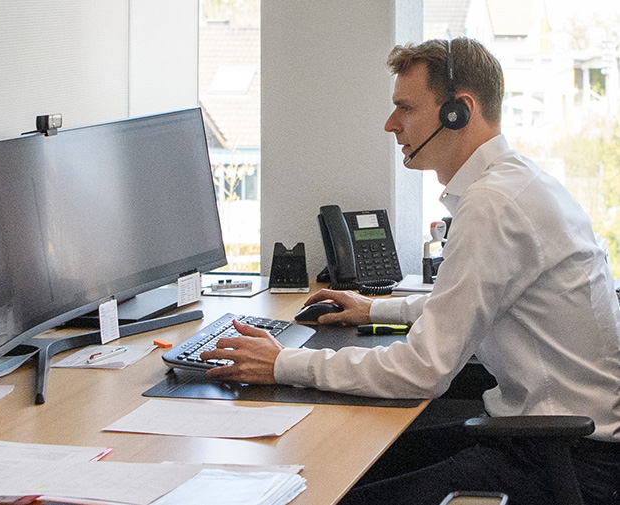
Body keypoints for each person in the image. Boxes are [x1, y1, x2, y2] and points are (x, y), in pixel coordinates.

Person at [201, 38, 620, 504]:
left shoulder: (493, 204)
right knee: (357, 466)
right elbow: (477, 299)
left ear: (458, 111)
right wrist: (379, 309)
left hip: (564, 461)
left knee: (335, 488)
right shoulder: (517, 183)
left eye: (405, 107)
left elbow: (423, 370)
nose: (390, 124)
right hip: (556, 443)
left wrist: (283, 363)